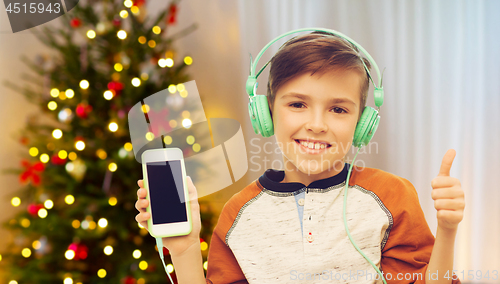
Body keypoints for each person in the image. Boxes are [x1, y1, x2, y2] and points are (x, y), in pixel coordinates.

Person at [135, 31, 465, 284]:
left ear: (362, 123)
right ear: (265, 113)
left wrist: (447, 229)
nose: (317, 125)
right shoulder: (237, 214)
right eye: (297, 104)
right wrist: (185, 250)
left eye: (338, 109)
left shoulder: (392, 196)